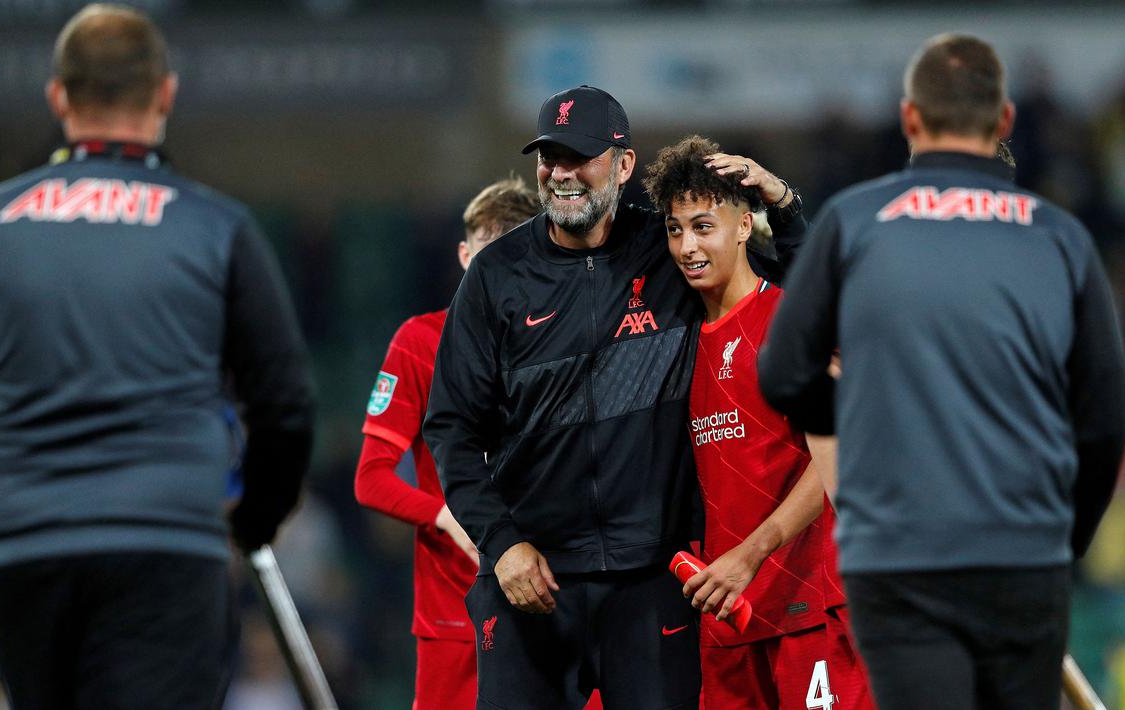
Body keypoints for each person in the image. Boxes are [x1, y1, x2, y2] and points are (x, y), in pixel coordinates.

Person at [0, 5, 315, 709]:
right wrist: (254, 515)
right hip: (166, 537)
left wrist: (21, 434)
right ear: (164, 94)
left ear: (58, 98)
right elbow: (285, 402)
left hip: (23, 541)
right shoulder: (213, 225)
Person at [758, 34, 1125, 710]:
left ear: (908, 119)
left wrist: (856, 434)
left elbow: (783, 373)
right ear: (1005, 120)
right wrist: (1065, 536)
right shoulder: (1058, 237)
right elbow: (1105, 416)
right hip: (1022, 551)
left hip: (899, 553)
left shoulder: (853, 220)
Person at [423, 85, 806, 709]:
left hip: (652, 582)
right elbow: (451, 430)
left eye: (580, 156)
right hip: (532, 581)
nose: (561, 174)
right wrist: (503, 545)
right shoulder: (497, 276)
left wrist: (783, 204)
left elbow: (808, 290)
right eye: (549, 158)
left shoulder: (670, 250)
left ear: (624, 165)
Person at [641, 135, 873, 710]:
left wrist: (752, 554)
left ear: (745, 226)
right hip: (726, 614)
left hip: (809, 602)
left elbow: (839, 459)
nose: (687, 246)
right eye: (675, 230)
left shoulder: (789, 322)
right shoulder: (673, 343)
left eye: (703, 226)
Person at [355, 175, 591, 710]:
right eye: (488, 253)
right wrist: (445, 516)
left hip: (561, 598)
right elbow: (370, 479)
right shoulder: (419, 342)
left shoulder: (575, 335)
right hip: (453, 613)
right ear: (465, 255)